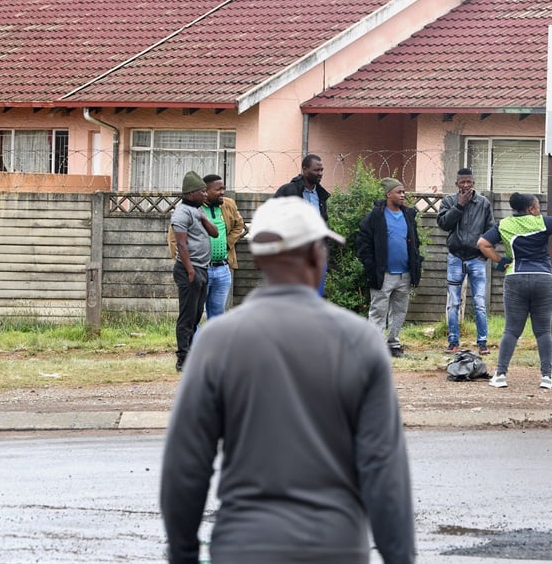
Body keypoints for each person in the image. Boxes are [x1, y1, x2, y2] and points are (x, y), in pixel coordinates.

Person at [160, 197, 415, 564]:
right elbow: (383, 469)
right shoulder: (359, 341)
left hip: (243, 546)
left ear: (260, 259)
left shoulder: (217, 341)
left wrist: (183, 553)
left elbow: (186, 463)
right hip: (335, 546)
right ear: (315, 254)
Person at [478, 188, 552, 389]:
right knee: (542, 331)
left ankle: (500, 375)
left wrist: (500, 262)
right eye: (538, 206)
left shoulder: (504, 224)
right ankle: (546, 377)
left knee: (511, 330)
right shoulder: (541, 222)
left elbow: (482, 243)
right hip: (543, 278)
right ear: (531, 209)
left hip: (515, 277)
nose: (539, 209)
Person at [357, 177, 423, 358]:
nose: (403, 195)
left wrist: (416, 263)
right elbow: (363, 244)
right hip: (383, 274)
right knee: (378, 310)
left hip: (405, 274)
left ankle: (393, 343)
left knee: (399, 311)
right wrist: (371, 266)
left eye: (403, 192)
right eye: (398, 192)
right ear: (388, 194)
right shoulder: (375, 217)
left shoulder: (408, 215)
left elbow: (415, 242)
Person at [169, 174, 245, 321]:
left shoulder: (228, 204)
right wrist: (186, 266)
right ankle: (195, 344)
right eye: (218, 189)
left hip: (222, 269)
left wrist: (226, 243)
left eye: (224, 188)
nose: (222, 192)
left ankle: (214, 344)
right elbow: (175, 239)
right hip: (200, 268)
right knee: (194, 314)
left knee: (217, 314)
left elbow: (239, 225)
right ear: (205, 191)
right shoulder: (191, 209)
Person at [437, 168, 494, 354]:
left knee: (479, 301)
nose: (466, 185)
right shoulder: (449, 201)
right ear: (457, 184)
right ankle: (453, 341)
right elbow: (444, 224)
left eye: (469, 182)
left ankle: (482, 342)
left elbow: (491, 230)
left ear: (474, 183)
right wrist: (460, 205)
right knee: (453, 302)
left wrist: (484, 255)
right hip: (455, 258)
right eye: (462, 182)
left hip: (476, 259)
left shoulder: (483, 203)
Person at [169, 171, 218, 372]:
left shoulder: (198, 210)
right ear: (191, 193)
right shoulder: (181, 213)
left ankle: (190, 353)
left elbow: (214, 233)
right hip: (189, 270)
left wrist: (203, 218)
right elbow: (181, 244)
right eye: (202, 192)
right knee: (187, 316)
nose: (206, 195)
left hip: (202, 268)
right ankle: (182, 359)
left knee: (197, 314)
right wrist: (190, 271)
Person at [274, 154, 331, 296]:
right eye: (316, 170)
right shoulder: (288, 191)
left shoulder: (320, 195)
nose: (320, 174)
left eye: (322, 170)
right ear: (305, 169)